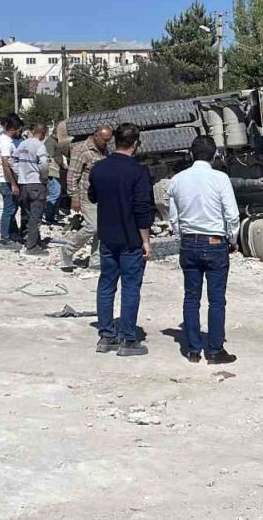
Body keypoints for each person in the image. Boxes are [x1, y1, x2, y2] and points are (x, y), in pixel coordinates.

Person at [168, 135, 239, 365]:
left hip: (189, 242)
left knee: (191, 298)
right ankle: (216, 351)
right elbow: (232, 214)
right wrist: (232, 238)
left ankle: (193, 350)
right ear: (215, 155)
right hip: (215, 242)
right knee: (216, 300)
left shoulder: (177, 180)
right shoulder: (220, 179)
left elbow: (174, 218)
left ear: (190, 154)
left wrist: (184, 235)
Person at [87, 123, 153, 356]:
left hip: (107, 235)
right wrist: (146, 240)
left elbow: (92, 196)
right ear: (135, 144)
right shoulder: (139, 171)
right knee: (130, 287)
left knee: (106, 284)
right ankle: (128, 339)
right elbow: (142, 208)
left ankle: (106, 336)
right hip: (131, 237)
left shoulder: (99, 168)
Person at [60, 124, 113, 270]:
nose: (106, 143)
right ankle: (68, 249)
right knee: (92, 227)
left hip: (102, 196)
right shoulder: (81, 150)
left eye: (108, 140)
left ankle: (95, 260)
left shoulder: (105, 150)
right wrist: (74, 197)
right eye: (104, 140)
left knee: (102, 228)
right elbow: (72, 175)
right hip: (86, 195)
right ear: (96, 136)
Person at [12, 123, 51, 255]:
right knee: (36, 217)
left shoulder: (22, 144)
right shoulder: (40, 146)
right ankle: (32, 247)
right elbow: (44, 164)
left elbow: (13, 160)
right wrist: (44, 176)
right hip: (36, 184)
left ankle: (30, 240)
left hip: (23, 184)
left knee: (27, 214)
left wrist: (20, 173)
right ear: (44, 133)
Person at [0, 116, 24, 247]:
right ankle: (5, 239)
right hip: (6, 181)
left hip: (5, 180)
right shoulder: (6, 143)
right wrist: (13, 184)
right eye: (19, 129)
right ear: (13, 129)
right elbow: (6, 165)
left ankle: (12, 233)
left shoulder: (1, 139)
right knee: (9, 210)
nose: (20, 132)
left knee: (12, 208)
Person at [42, 127, 65, 225]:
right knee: (55, 193)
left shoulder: (53, 141)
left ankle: (51, 214)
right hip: (52, 172)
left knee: (56, 193)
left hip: (55, 171)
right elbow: (48, 158)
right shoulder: (50, 142)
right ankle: (48, 216)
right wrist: (50, 172)